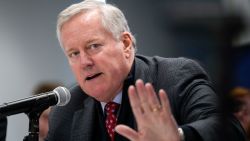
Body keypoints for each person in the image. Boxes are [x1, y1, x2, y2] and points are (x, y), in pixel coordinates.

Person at [46, 0, 245, 141]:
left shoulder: (177, 76)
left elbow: (229, 129)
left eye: (93, 46)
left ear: (125, 44)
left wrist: (178, 137)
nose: (84, 62)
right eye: (73, 53)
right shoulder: (66, 109)